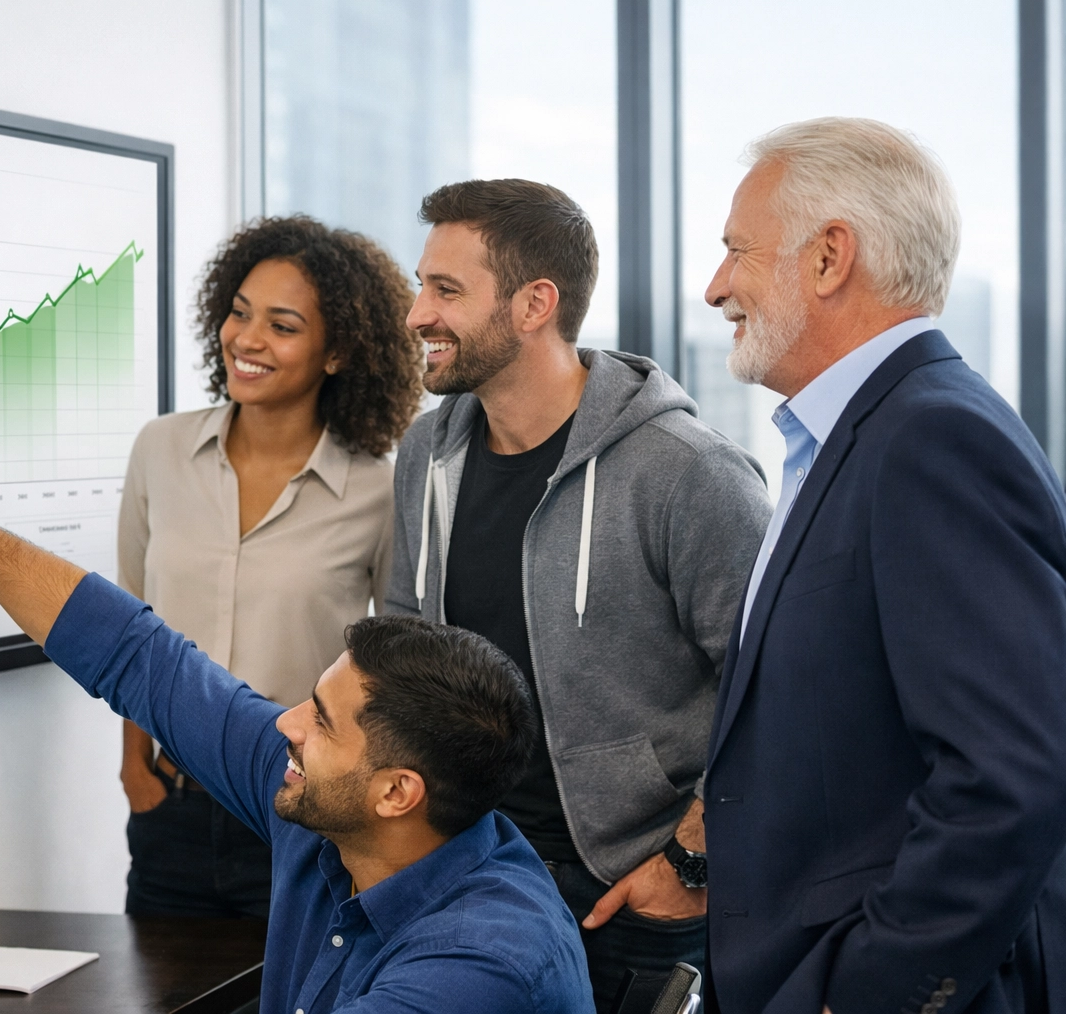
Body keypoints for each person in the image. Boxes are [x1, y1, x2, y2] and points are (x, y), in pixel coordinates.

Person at [0, 407, 598, 1014]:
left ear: (397, 791)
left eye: (321, 722)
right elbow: (139, 656)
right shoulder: (344, 817)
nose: (287, 725)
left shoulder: (480, 964)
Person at [702, 117, 1066, 1013]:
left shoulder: (932, 438)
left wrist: (870, 990)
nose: (715, 289)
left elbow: (1010, 773)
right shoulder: (856, 438)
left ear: (830, 258)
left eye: (737, 252)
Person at [387, 178, 772, 1008]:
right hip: (472, 878)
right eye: (423, 285)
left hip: (629, 897)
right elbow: (404, 650)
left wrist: (689, 861)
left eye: (445, 290)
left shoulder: (687, 472)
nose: (418, 314)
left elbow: (778, 693)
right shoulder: (428, 453)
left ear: (535, 304)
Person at [116, 216, 420, 919]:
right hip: (170, 807)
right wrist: (135, 767)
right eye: (240, 313)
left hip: (302, 816)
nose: (247, 340)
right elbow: (132, 619)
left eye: (282, 326)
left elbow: (399, 664)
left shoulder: (377, 489)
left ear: (337, 351)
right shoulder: (160, 450)